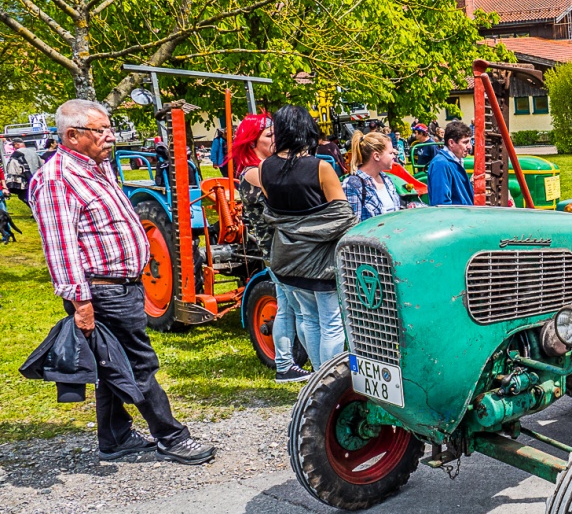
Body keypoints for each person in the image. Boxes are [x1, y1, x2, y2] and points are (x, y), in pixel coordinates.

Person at [28, 99, 215, 464]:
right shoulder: (57, 179)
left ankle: (115, 438)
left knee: (110, 364)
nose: (111, 136)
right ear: (72, 135)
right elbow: (61, 247)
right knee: (137, 364)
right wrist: (81, 303)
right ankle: (171, 437)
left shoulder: (96, 167)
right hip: (101, 291)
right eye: (101, 131)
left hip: (122, 286)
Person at [259, 106, 357, 370]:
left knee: (307, 318)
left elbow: (279, 214)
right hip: (322, 262)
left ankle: (317, 378)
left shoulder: (264, 168)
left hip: (286, 259)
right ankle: (331, 382)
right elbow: (344, 216)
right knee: (331, 322)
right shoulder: (321, 168)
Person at [234, 114, 308, 384]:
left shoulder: (266, 167)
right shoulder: (255, 172)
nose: (275, 139)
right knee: (299, 308)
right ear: (251, 142)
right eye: (268, 135)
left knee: (287, 306)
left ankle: (285, 364)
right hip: (277, 249)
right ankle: (293, 364)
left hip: (282, 246)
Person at [343, 130, 415, 219]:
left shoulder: (386, 179)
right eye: (390, 153)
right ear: (376, 156)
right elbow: (354, 226)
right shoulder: (352, 185)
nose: (394, 156)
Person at [427, 120, 476, 206]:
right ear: (451, 143)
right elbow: (442, 204)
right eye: (465, 142)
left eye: (470, 141)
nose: (469, 146)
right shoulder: (441, 164)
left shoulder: (455, 161)